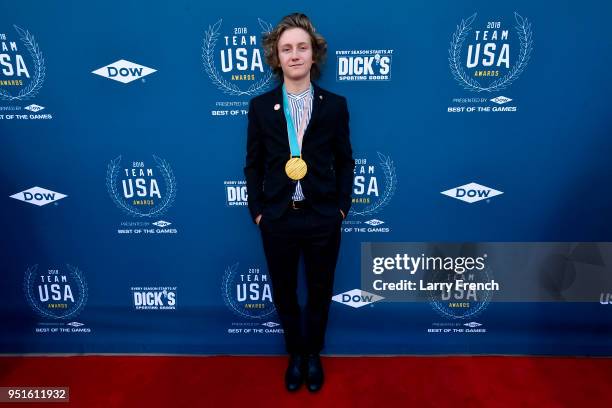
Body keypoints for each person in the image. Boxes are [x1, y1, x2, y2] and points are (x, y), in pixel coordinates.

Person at [244, 13, 354, 392]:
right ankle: (295, 354)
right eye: (287, 48)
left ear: (313, 54)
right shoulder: (260, 108)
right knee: (286, 292)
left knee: (321, 292)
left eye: (301, 47)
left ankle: (313, 355)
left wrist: (341, 208)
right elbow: (253, 164)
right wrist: (258, 212)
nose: (294, 55)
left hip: (323, 217)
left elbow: (345, 161)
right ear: (277, 56)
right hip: (277, 218)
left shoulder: (335, 106)